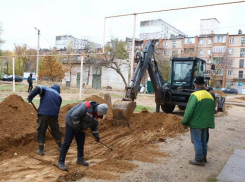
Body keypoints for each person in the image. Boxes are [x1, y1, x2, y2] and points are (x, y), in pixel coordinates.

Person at [57, 101, 108, 171]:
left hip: (80, 126)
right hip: (71, 122)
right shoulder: (86, 106)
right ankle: (61, 162)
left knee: (81, 142)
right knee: (67, 142)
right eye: (101, 114)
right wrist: (78, 127)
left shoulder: (97, 115)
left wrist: (96, 136)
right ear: (98, 110)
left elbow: (94, 126)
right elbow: (74, 115)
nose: (100, 116)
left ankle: (80, 159)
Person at [181, 76, 215, 166]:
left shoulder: (195, 95)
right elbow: (212, 109)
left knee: (196, 140)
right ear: (203, 85)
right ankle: (204, 157)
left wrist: (184, 121)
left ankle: (199, 159)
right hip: (206, 123)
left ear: (195, 85)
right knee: (203, 140)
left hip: (197, 123)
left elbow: (189, 110)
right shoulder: (209, 95)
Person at [27, 84, 63, 155]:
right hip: (54, 115)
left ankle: (41, 150)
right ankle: (60, 146)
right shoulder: (59, 97)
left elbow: (37, 88)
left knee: (41, 130)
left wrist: (30, 97)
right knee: (56, 130)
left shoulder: (46, 89)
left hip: (43, 114)